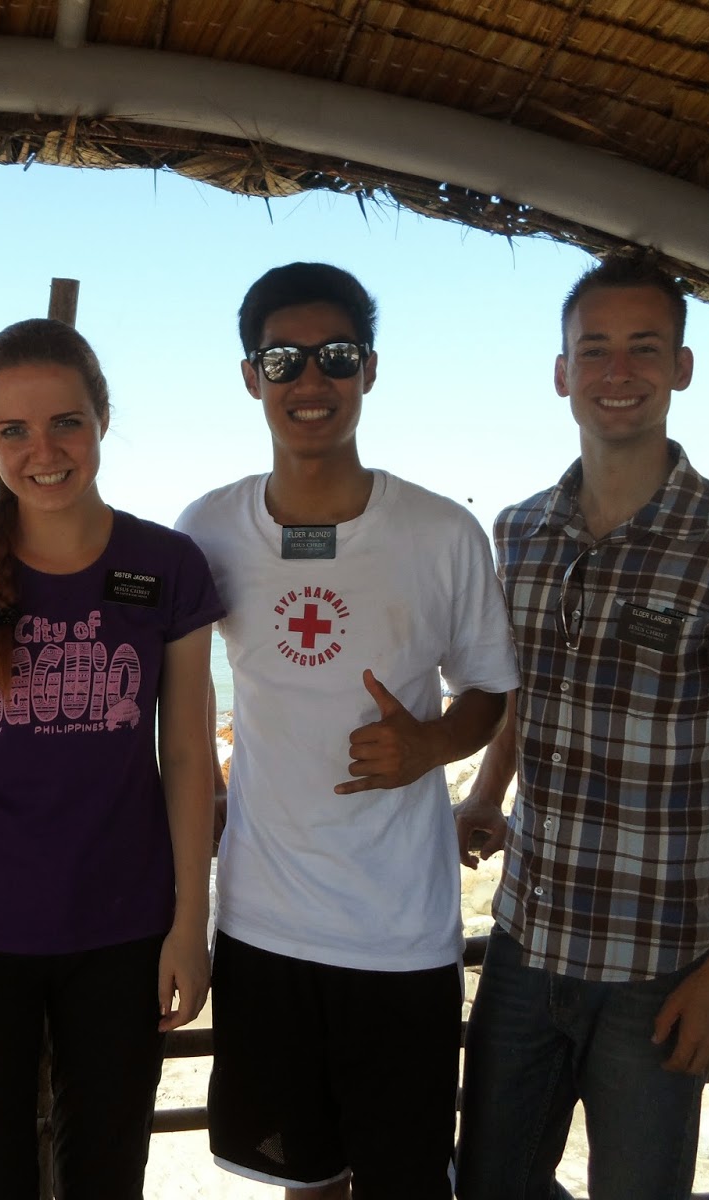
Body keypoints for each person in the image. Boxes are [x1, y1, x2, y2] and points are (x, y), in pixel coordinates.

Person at [453, 256, 709, 1199]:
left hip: (665, 963)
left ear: (682, 368)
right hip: (527, 939)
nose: (617, 371)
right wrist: (486, 793)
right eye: (594, 350)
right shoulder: (520, 531)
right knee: (489, 1183)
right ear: (562, 373)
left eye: (644, 348)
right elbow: (523, 691)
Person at [176, 262, 519, 1198]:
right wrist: (208, 792)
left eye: (335, 356)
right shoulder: (208, 528)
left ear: (369, 369)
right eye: (282, 360)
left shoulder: (441, 532)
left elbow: (489, 688)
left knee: (407, 1179)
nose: (310, 381)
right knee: (307, 1180)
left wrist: (431, 746)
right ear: (250, 377)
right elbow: (180, 686)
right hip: (261, 921)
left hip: (399, 929)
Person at [0, 317, 222, 1197]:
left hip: (125, 926)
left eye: (67, 422)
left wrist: (190, 922)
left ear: (103, 418)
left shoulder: (167, 564)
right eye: (13, 430)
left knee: (108, 1172)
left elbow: (188, 755)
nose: (44, 451)